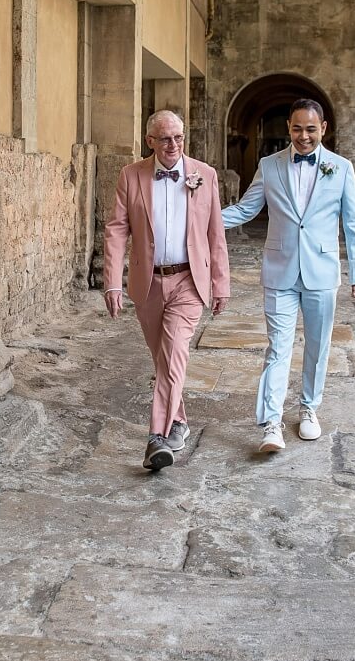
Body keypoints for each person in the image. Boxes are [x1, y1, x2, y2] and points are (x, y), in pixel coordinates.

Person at [220, 98, 355, 452]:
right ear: (288, 127)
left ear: (323, 129)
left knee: (318, 347)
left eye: (311, 129)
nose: (304, 136)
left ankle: (308, 409)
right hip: (280, 270)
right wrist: (200, 221)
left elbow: (353, 223)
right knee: (277, 349)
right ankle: (271, 423)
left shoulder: (341, 167)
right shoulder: (269, 165)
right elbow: (246, 208)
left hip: (322, 271)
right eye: (298, 128)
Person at [102, 110, 230, 471]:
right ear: (150, 142)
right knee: (164, 361)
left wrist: (220, 283)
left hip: (190, 281)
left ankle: (157, 436)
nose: (173, 145)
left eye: (178, 137)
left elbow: (215, 234)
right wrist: (113, 280)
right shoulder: (131, 176)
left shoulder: (204, 175)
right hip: (148, 283)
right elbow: (116, 230)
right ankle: (180, 421)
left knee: (174, 354)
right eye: (164, 139)